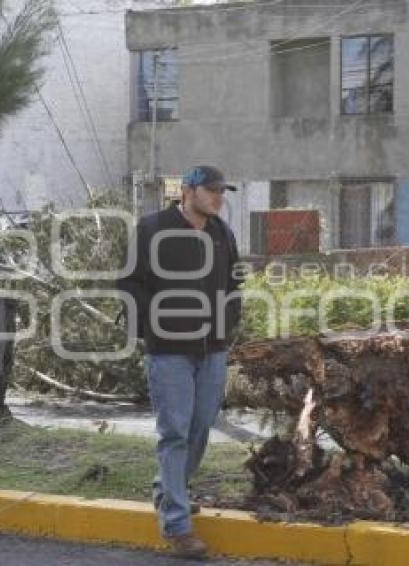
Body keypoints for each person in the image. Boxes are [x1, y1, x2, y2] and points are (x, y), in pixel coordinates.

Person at [116, 165, 242, 558]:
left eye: (222, 191)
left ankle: (168, 492)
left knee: (201, 428)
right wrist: (150, 325)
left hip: (213, 349)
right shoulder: (153, 228)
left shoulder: (222, 233)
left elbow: (235, 282)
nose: (219, 197)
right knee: (174, 432)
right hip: (169, 351)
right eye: (211, 190)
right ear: (187, 191)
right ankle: (177, 522)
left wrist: (229, 320)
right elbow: (129, 282)